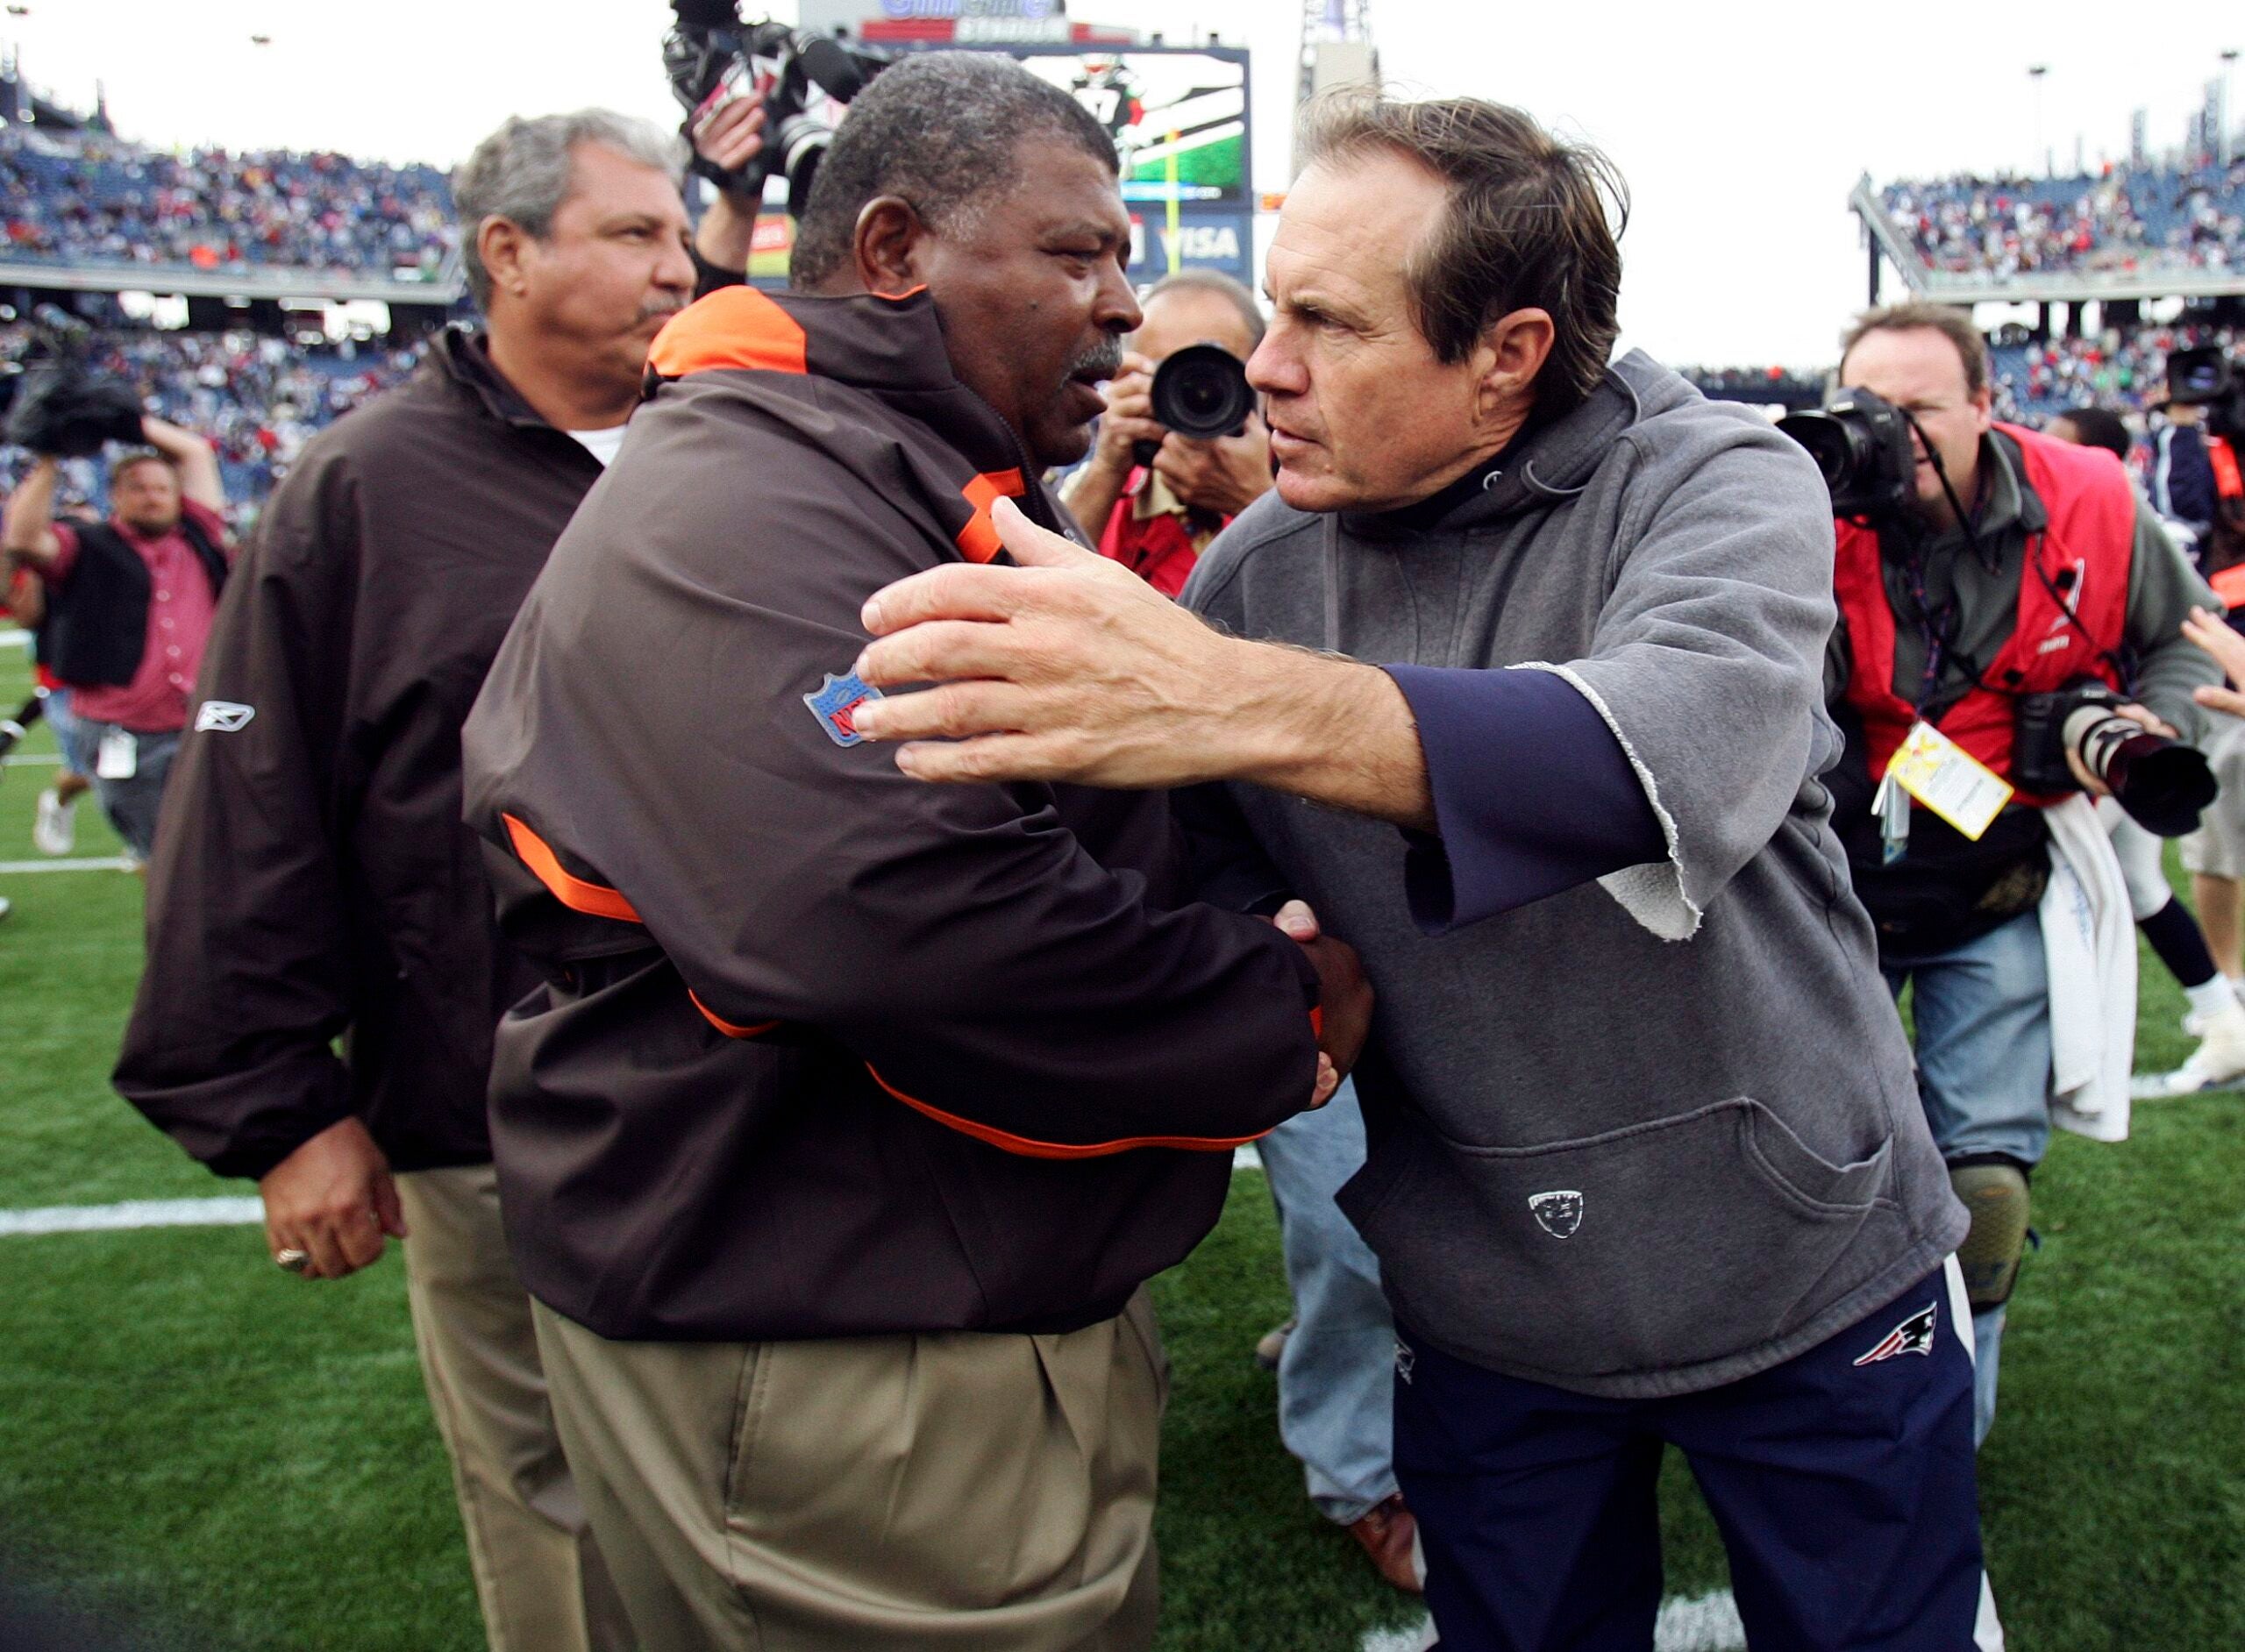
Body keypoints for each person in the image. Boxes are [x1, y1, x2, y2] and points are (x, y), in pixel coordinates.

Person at [847, 91, 1996, 1651]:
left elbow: (1675, 748)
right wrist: (1274, 961)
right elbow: (1213, 863)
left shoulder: (1717, 477)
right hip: (1486, 1287)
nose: (1264, 367)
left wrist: (1213, 693)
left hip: (1807, 1260)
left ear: (1510, 352)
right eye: (1276, 308)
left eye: (1326, 321)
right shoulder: (1259, 570)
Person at [458, 53, 1369, 1652]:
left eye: (1124, 262)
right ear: (893, 255)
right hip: (836, 1323)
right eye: (1076, 254)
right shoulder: (753, 482)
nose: (1120, 306)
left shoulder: (858, 463)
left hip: (893, 1279)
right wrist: (1274, 1009)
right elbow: (888, 905)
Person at [110, 105, 770, 1652]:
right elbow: (251, 809)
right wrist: (281, 1103)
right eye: (634, 235)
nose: (677, 266)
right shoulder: (358, 493)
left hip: (749, 1089)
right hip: (493, 1108)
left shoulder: (728, 448)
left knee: (765, 1486)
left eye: (680, 233)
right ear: (510, 251)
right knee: (557, 1515)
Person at [1064, 266, 1412, 1592]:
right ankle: (1350, 1440)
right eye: (1161, 374)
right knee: (1170, 1208)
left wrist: (1247, 513)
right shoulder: (1092, 502)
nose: (1212, 400)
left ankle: (1357, 1464)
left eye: (1224, 365)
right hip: (1148, 918)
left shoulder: (1314, 503)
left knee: (1353, 1212)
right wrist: (1106, 475)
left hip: (1298, 906)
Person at [1823, 303, 2219, 1442]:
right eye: (1866, 408)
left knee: (1983, 1188)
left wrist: (2156, 719)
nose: (1886, 437)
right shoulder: (1811, 503)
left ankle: (1955, 1426)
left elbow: (2183, 629)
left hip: (1997, 881)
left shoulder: (2090, 497)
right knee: (1808, 1164)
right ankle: (1809, 1395)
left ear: (1988, 409)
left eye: (1917, 412)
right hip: (1829, 883)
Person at [2044, 405, 2245, 1095]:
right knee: (2135, 880)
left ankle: (2057, 1060)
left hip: (2126, 734)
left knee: (2058, 880)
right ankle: (2221, 1022)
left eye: (2056, 446)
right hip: (2124, 733)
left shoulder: (2116, 515)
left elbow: (2174, 627)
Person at [1, 420, 230, 863]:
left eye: (163, 488)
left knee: (221, 851)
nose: (153, 496)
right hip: (123, 728)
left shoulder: (197, 536)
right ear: (116, 496)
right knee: (162, 856)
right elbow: (23, 538)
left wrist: (122, 416)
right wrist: (50, 455)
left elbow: (196, 453)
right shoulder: (85, 544)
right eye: (139, 488)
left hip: (204, 721)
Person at [1058, 268, 1274, 594]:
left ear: (1263, 377)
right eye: (1168, 371)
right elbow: (1044, 583)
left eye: (1216, 368)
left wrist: (1259, 501)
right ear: (1128, 373)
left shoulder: (1306, 488)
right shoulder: (1109, 488)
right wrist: (1108, 467)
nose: (1195, 391)